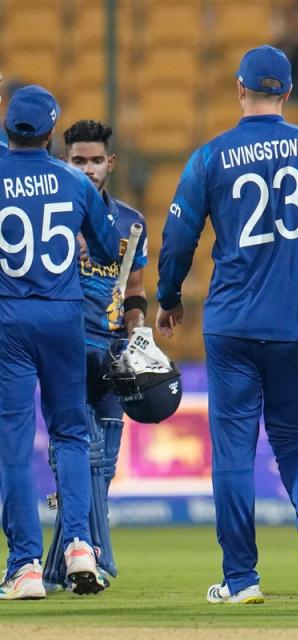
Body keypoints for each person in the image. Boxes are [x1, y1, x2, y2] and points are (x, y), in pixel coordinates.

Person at [155, 45, 298, 605]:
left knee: (234, 453)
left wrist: (169, 296)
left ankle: (242, 579)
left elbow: (177, 240)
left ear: (239, 88)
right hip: (297, 324)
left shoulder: (211, 156)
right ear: (288, 93)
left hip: (233, 324)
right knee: (297, 438)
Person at [0, 85, 120, 599]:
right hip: (63, 316)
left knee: (13, 444)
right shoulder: (74, 181)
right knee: (71, 433)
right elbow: (109, 249)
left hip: (7, 318)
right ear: (52, 133)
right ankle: (78, 546)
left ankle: (25, 564)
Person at [39, 120, 148, 591]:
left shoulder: (131, 223)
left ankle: (60, 567)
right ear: (64, 161)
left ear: (110, 163)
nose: (86, 169)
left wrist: (139, 334)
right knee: (86, 457)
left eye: (94, 160)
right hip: (65, 347)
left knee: (103, 463)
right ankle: (97, 558)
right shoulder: (52, 216)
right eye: (77, 160)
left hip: (113, 354)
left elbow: (136, 291)